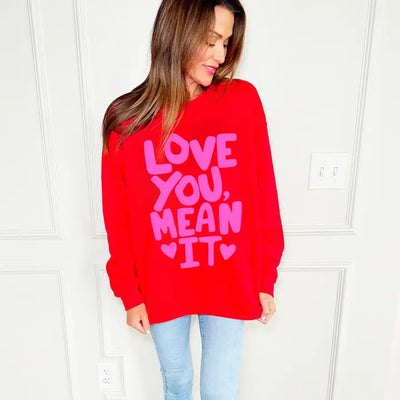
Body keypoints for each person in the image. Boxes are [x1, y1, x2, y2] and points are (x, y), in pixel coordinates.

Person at [101, 0, 285, 398]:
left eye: (227, 42)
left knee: (221, 390)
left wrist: (265, 277)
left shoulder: (241, 102)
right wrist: (130, 294)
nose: (221, 55)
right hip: (162, 282)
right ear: (178, 35)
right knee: (178, 382)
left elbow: (263, 193)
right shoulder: (126, 119)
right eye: (211, 40)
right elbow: (118, 219)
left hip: (229, 276)